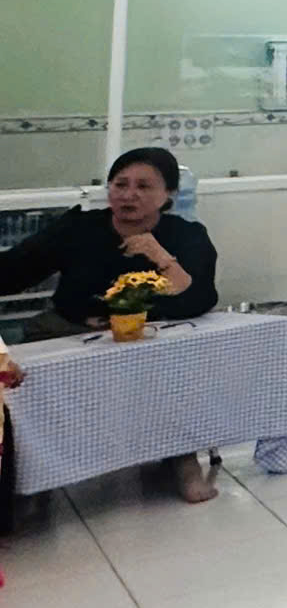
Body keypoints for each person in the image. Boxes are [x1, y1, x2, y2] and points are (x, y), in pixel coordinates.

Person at [0, 146, 220, 500]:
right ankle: (32, 476)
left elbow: (199, 298)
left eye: (144, 186)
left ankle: (182, 459)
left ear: (169, 195)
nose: (128, 194)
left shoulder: (186, 235)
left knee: (173, 365)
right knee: (19, 381)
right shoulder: (78, 227)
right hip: (68, 330)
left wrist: (159, 255)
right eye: (120, 184)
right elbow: (14, 271)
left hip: (144, 338)